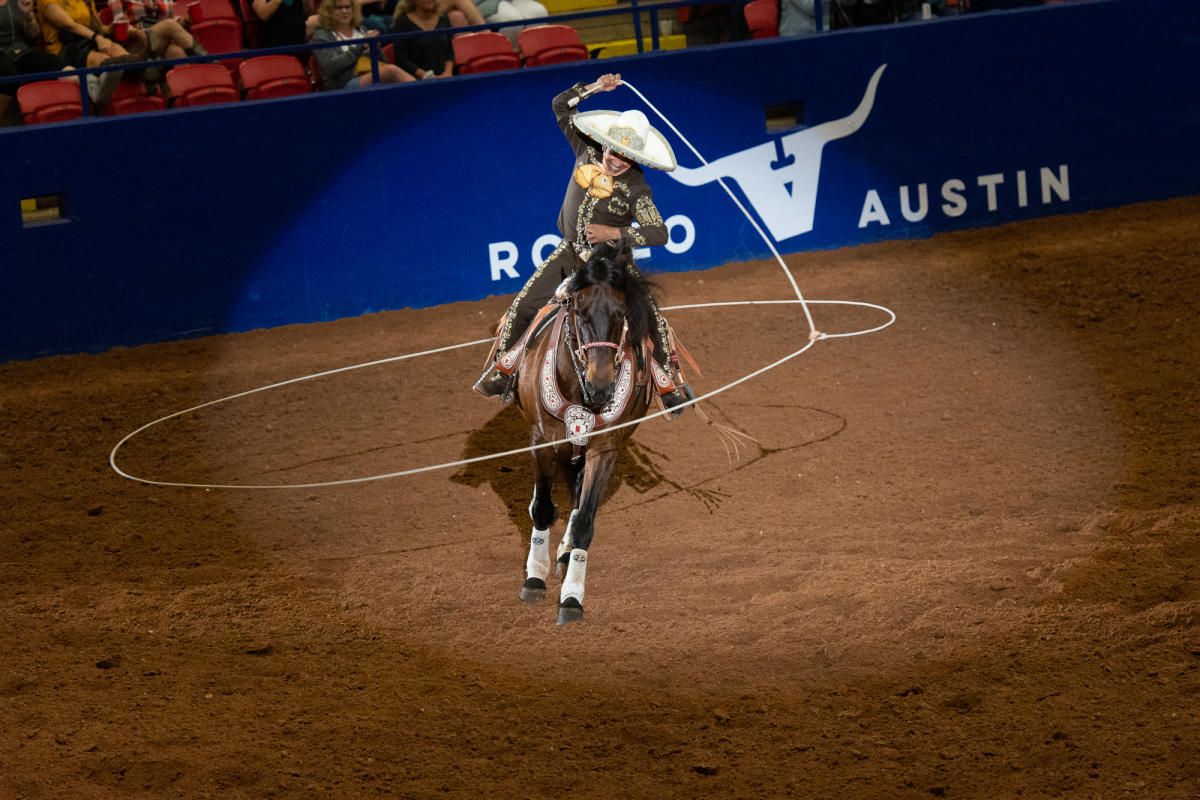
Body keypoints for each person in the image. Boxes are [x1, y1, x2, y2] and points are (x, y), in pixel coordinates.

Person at [473, 73, 695, 418]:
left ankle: (670, 386)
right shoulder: (585, 150)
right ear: (604, 142)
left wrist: (615, 235)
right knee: (524, 304)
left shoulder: (638, 189)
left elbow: (658, 231)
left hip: (612, 265)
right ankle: (503, 370)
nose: (616, 159)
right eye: (613, 149)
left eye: (625, 155)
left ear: (634, 157)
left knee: (650, 317)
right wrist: (594, 88)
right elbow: (560, 106)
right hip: (569, 252)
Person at [37, 0, 141, 105]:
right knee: (102, 58)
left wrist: (109, 30)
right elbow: (69, 25)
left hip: (88, 40)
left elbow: (98, 28)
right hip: (65, 49)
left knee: (115, 48)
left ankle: (140, 68)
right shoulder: (46, 2)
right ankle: (139, 70)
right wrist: (97, 38)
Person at [311, 0, 413, 88]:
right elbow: (331, 68)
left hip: (370, 74)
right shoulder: (322, 35)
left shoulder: (361, 29)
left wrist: (375, 48)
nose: (344, 11)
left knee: (391, 75)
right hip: (342, 84)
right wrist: (361, 46)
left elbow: (384, 62)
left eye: (347, 7)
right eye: (338, 8)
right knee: (391, 72)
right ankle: (423, 92)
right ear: (329, 11)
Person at [0, 0, 65, 123]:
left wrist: (28, 16)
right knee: (9, 74)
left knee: (53, 62)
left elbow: (34, 36)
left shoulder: (18, 2)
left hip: (20, 52)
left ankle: (91, 86)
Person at [389, 0, 450, 80]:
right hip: (415, 80)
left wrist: (448, 73)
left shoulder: (443, 18)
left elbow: (450, 52)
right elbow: (402, 60)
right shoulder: (402, 22)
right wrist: (427, 76)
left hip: (445, 77)